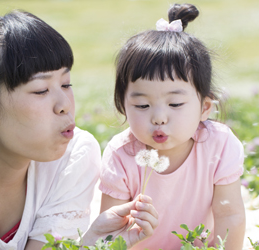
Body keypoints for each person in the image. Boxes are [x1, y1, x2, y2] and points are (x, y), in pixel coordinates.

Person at [0, 11, 158, 250]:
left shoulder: (74, 155)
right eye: (41, 90)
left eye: (66, 84)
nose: (64, 105)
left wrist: (90, 244)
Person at [99, 3, 245, 250]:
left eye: (175, 103)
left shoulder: (219, 145)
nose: (158, 118)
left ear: (205, 108)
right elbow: (108, 232)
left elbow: (229, 214)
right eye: (142, 105)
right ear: (123, 105)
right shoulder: (120, 155)